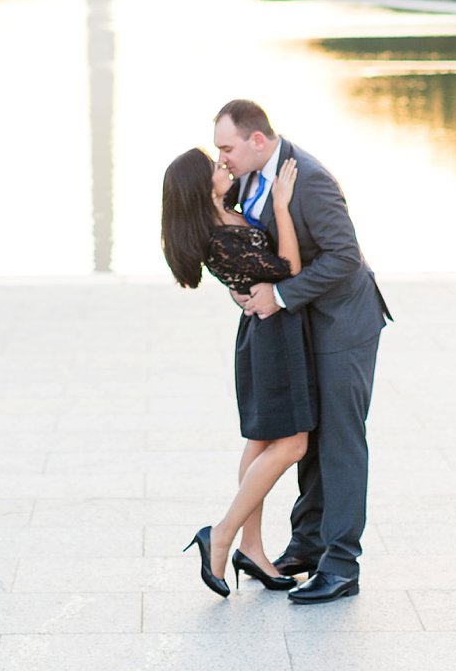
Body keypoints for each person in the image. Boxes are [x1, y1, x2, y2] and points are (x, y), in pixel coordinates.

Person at [214, 98, 392, 604]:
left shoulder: (308, 177)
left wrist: (281, 295)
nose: (221, 157)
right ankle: (308, 547)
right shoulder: (247, 177)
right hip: (300, 326)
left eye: (226, 146)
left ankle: (341, 567)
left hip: (343, 325)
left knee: (339, 441)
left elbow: (342, 257)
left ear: (257, 140)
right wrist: (244, 285)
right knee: (305, 434)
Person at [159, 146, 313, 598]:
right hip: (271, 338)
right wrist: (282, 206)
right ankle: (223, 534)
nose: (223, 165)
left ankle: (252, 548)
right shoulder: (221, 236)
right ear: (199, 186)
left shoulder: (230, 217)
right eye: (214, 164)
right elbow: (289, 269)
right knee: (293, 443)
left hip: (266, 333)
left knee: (262, 441)